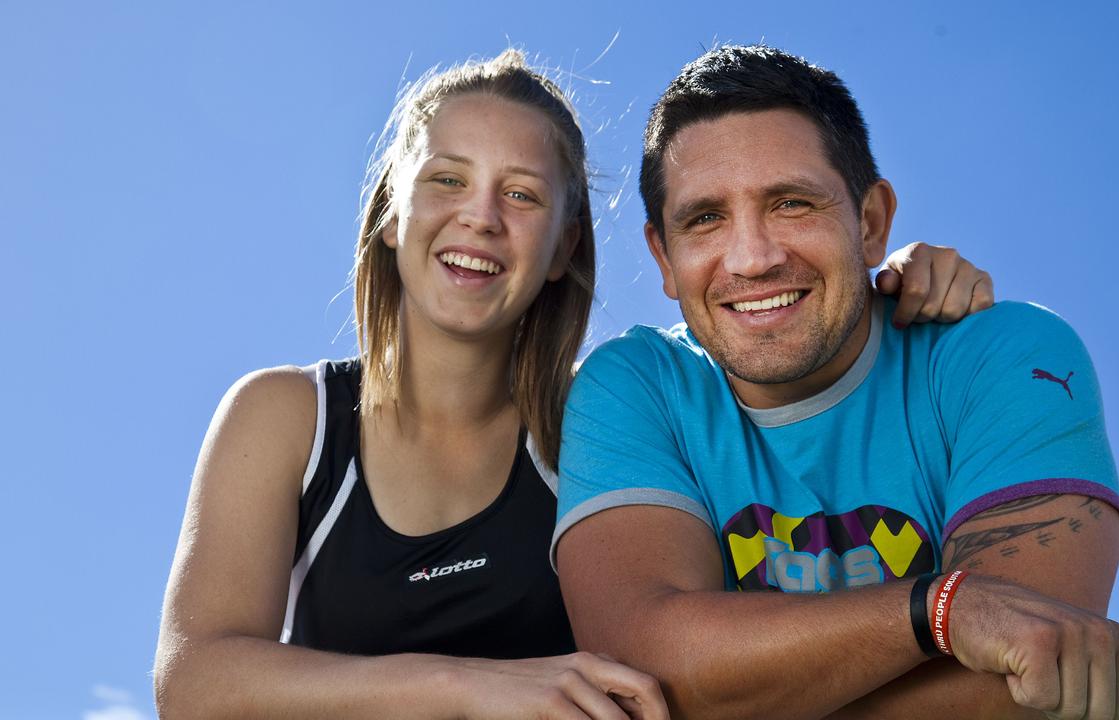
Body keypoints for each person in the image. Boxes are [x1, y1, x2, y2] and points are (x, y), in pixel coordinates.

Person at [153, 50, 994, 718]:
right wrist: (470, 690)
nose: (480, 215)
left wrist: (888, 281)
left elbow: (766, 355)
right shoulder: (286, 417)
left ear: (564, 248)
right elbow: (195, 682)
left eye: (521, 194)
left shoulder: (607, 423)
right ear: (389, 212)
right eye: (446, 179)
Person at [554, 45, 1119, 720]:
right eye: (705, 219)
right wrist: (940, 611)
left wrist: (731, 687)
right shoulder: (634, 388)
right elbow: (642, 670)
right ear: (663, 256)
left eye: (791, 203)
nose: (752, 257)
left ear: (869, 223)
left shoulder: (1009, 358)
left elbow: (1025, 680)